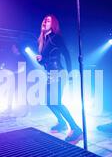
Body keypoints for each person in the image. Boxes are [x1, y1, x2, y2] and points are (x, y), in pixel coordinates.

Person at [35, 15, 82, 143]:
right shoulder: (43, 40)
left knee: (56, 101)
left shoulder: (56, 37)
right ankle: (61, 123)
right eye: (44, 20)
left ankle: (76, 129)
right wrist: (40, 60)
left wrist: (71, 72)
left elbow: (66, 54)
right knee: (48, 101)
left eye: (48, 20)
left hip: (58, 73)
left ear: (54, 24)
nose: (45, 21)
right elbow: (44, 61)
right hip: (51, 74)